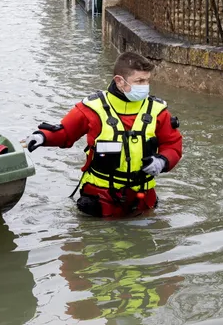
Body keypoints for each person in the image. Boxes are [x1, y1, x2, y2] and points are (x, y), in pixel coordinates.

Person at [23, 51, 182, 217]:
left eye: (147, 80)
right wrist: (42, 137)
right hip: (100, 197)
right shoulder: (92, 108)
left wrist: (162, 161)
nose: (145, 86)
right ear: (120, 81)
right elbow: (65, 132)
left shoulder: (157, 111)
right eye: (139, 81)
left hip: (142, 196)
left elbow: (172, 145)